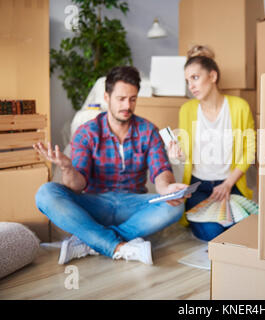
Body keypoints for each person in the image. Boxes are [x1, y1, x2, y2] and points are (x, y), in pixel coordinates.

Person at [34, 66, 189, 265]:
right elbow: (77, 186)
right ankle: (117, 246)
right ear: (106, 97)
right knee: (45, 194)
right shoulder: (86, 132)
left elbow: (160, 170)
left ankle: (91, 240)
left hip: (133, 204)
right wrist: (67, 167)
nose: (128, 105)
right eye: (121, 99)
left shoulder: (148, 130)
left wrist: (169, 189)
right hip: (95, 203)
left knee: (175, 207)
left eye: (133, 99)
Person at [168, 45, 256, 241]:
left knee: (239, 231)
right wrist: (176, 153)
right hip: (199, 187)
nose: (191, 86)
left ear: (213, 76)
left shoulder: (239, 107)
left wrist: (227, 183)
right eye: (187, 80)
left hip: (230, 185)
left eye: (195, 78)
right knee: (213, 233)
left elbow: (250, 151)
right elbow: (185, 150)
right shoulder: (187, 110)